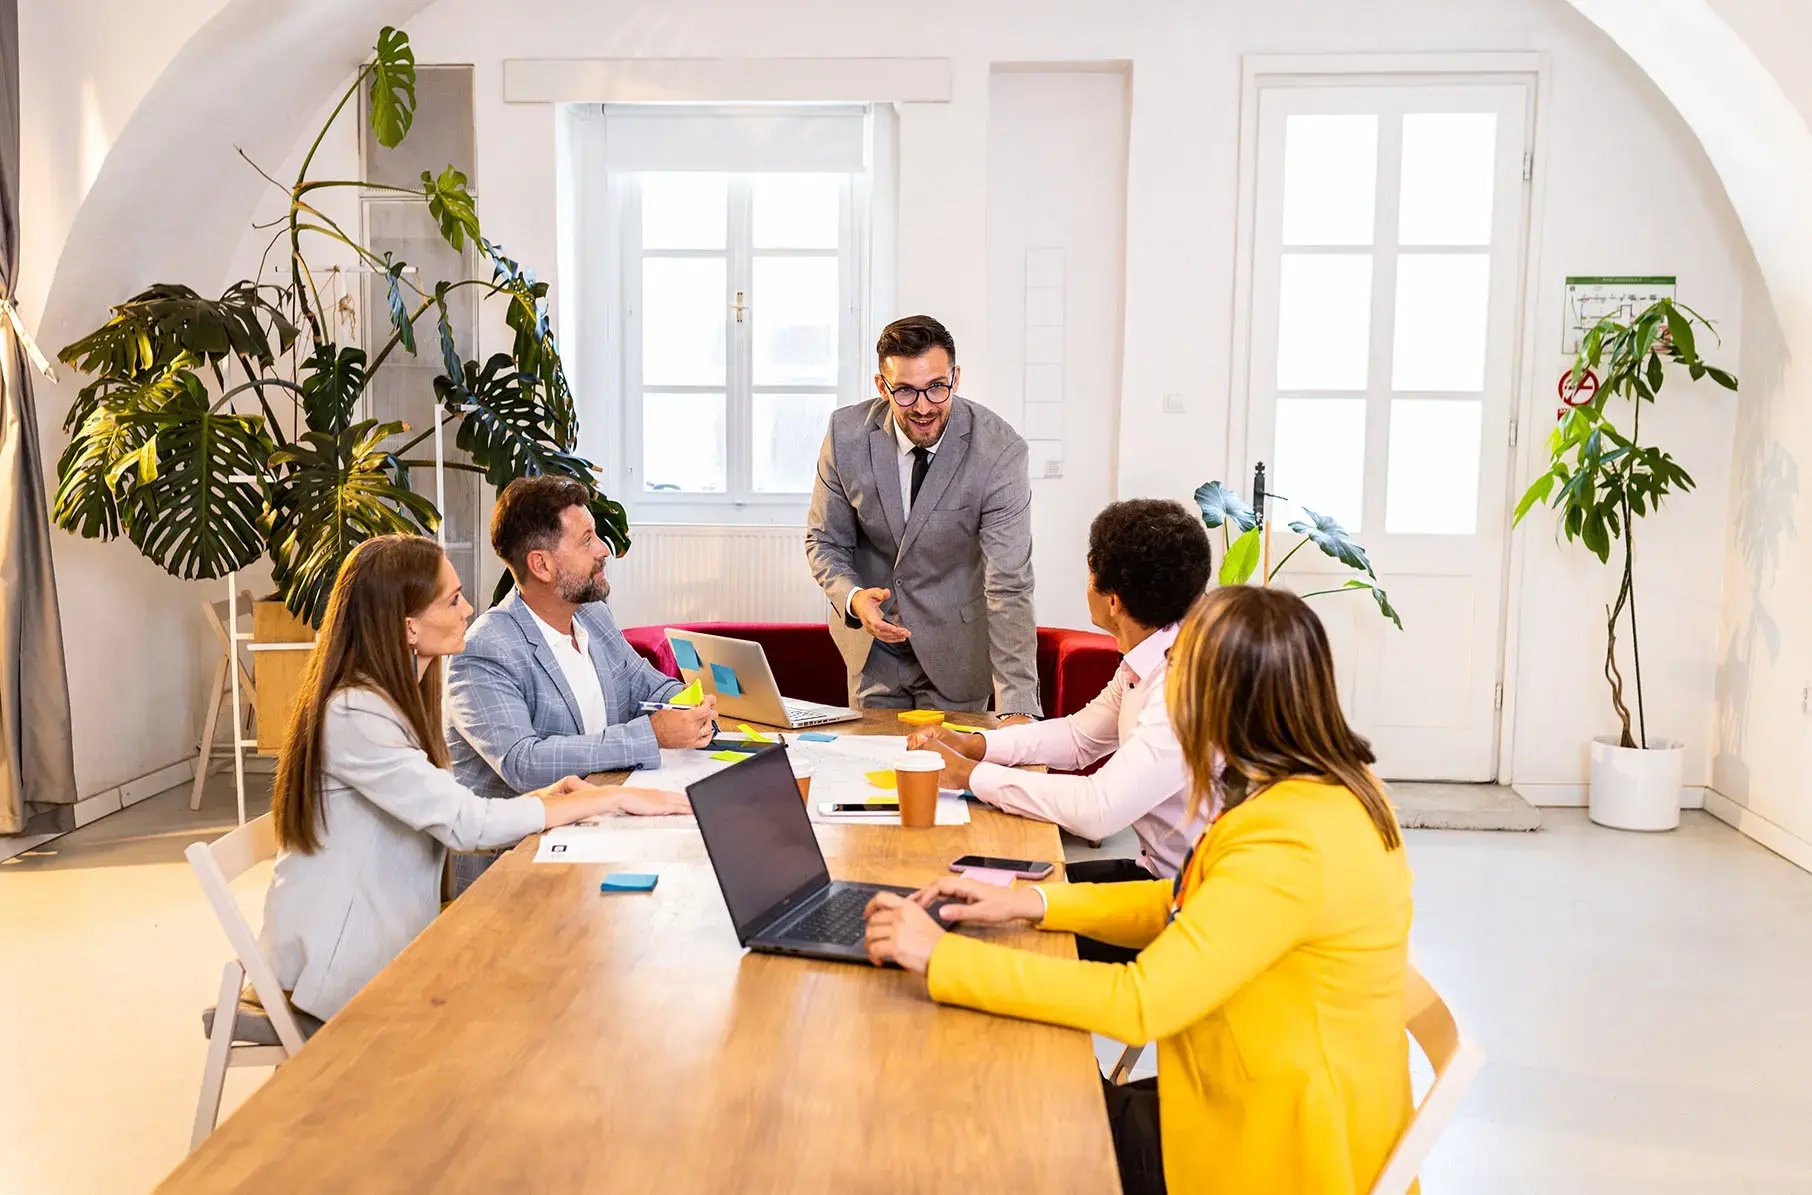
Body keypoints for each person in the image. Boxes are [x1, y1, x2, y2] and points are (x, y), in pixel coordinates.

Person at [864, 586, 1415, 1195]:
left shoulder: (1293, 839)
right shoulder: (1316, 789)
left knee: (1003, 1098)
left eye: (1181, 670)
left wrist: (942, 957)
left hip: (1272, 1150)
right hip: (1256, 1091)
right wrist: (1031, 901)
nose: (1169, 688)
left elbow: (1139, 1003)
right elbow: (1185, 903)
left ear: (1220, 699)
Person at [260, 535, 688, 1022]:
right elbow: (463, 823)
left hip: (389, 933)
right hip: (338, 962)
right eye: (452, 599)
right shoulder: (358, 712)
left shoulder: (397, 695)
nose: (468, 609)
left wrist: (554, 797)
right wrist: (602, 802)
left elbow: (446, 806)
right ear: (408, 629)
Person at [907, 499, 1212, 919]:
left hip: (1192, 906)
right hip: (1159, 877)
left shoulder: (1182, 684)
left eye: (1090, 572)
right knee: (982, 893)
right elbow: (1077, 738)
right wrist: (974, 745)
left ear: (1113, 602)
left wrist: (968, 775)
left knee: (997, 923)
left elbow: (1097, 810)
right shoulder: (1152, 656)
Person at [805, 314, 1039, 720]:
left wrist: (1017, 706)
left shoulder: (1000, 452)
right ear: (882, 386)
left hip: (959, 653)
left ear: (955, 377)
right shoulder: (845, 435)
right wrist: (855, 597)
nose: (925, 407)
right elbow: (825, 541)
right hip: (874, 652)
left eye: (936, 387)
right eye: (906, 393)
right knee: (870, 776)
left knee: (947, 778)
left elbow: (1009, 586)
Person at [447, 475, 719, 801]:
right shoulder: (485, 650)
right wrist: (652, 734)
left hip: (599, 810)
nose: (604, 549)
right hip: (525, 843)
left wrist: (690, 707)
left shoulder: (592, 615)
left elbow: (650, 686)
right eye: (587, 540)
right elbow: (524, 763)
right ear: (542, 564)